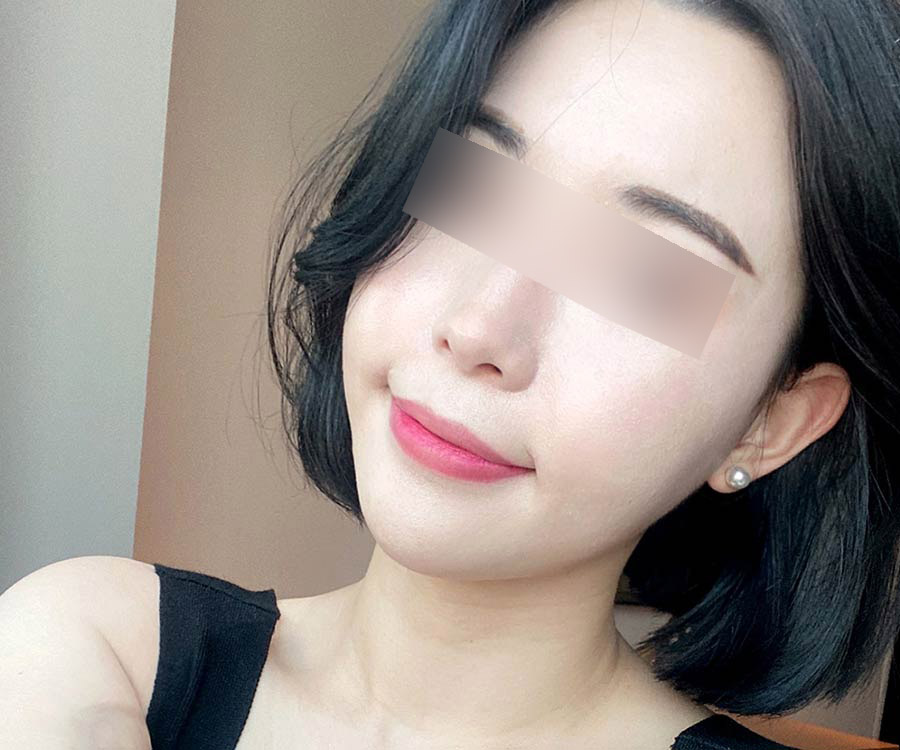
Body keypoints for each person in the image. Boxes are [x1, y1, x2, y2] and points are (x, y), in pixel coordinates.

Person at [2, 0, 899, 748]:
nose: (479, 328)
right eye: (473, 188)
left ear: (773, 422)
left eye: (643, 277)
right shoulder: (105, 652)